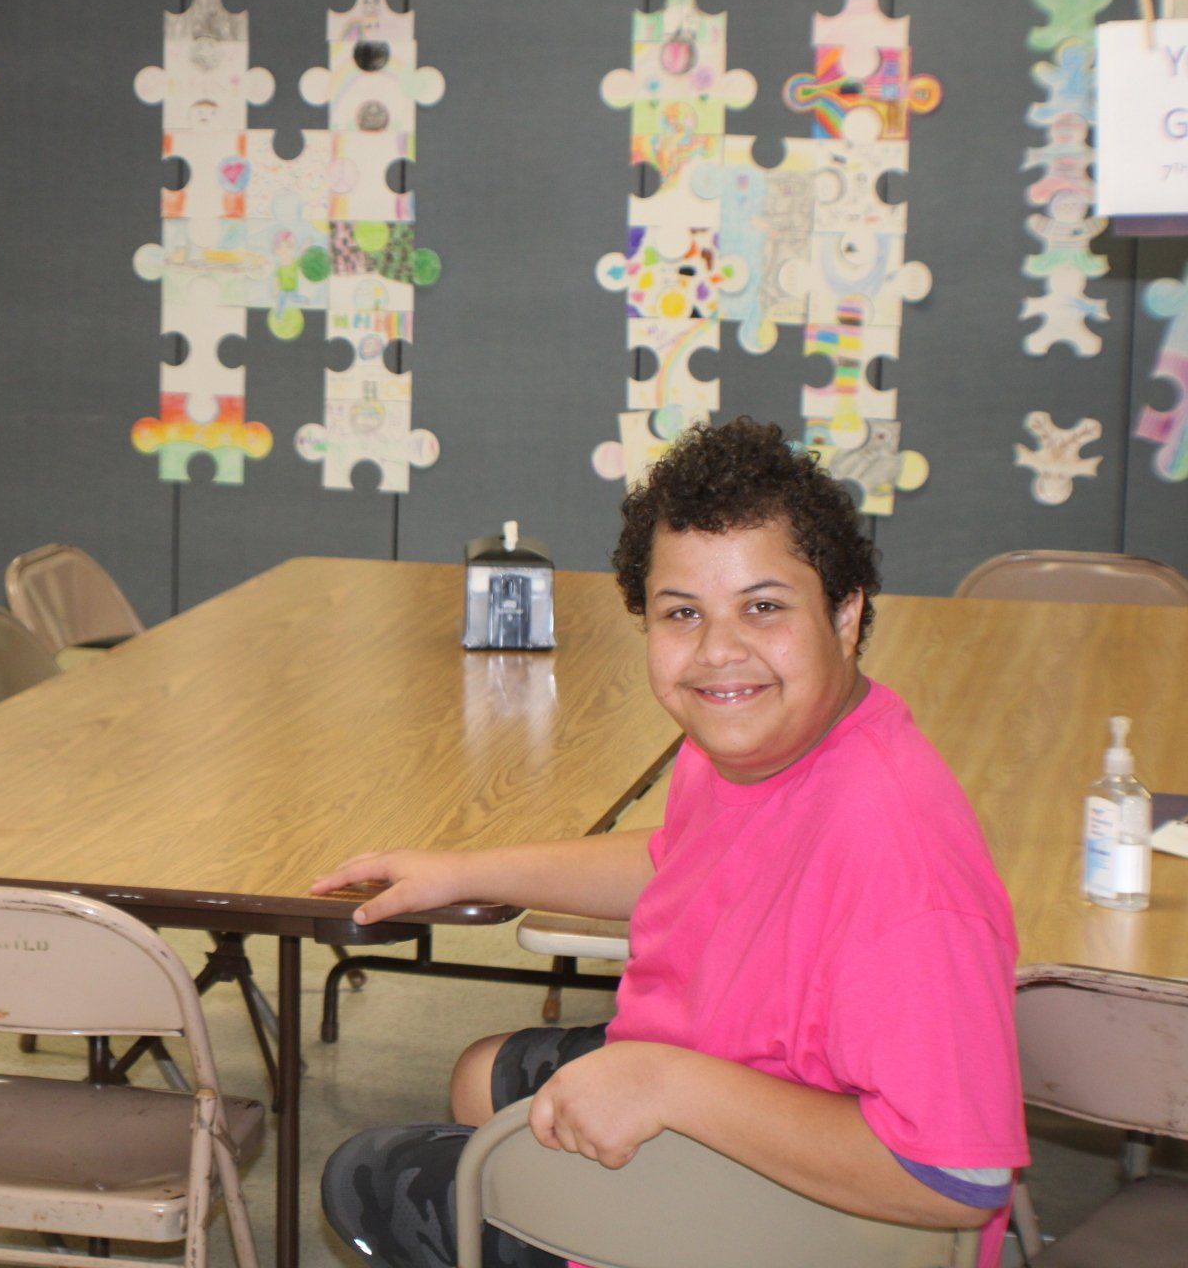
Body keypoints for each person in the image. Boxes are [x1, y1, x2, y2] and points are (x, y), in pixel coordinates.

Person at [315, 419, 1028, 1268]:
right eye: (682, 613)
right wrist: (463, 870)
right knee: (484, 1075)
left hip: (801, 1223)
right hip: (737, 1068)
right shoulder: (754, 739)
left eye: (763, 608)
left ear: (844, 615)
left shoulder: (902, 868)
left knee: (367, 1175)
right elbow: (684, 858)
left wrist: (670, 1084)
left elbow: (957, 1176)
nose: (719, 653)